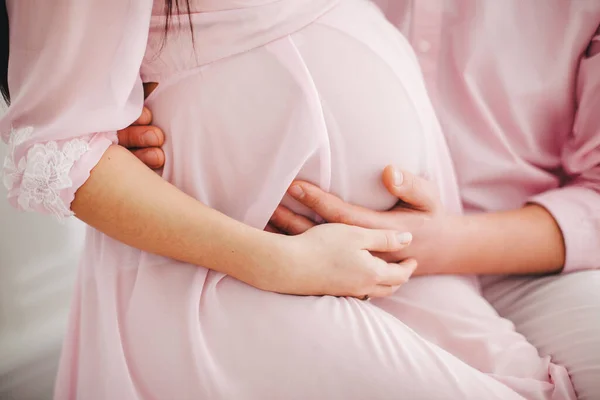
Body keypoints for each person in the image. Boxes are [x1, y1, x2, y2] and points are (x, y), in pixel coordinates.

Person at [0, 0, 579, 399]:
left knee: (537, 385)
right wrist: (279, 263)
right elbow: (54, 145)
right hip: (229, 270)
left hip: (401, 256)